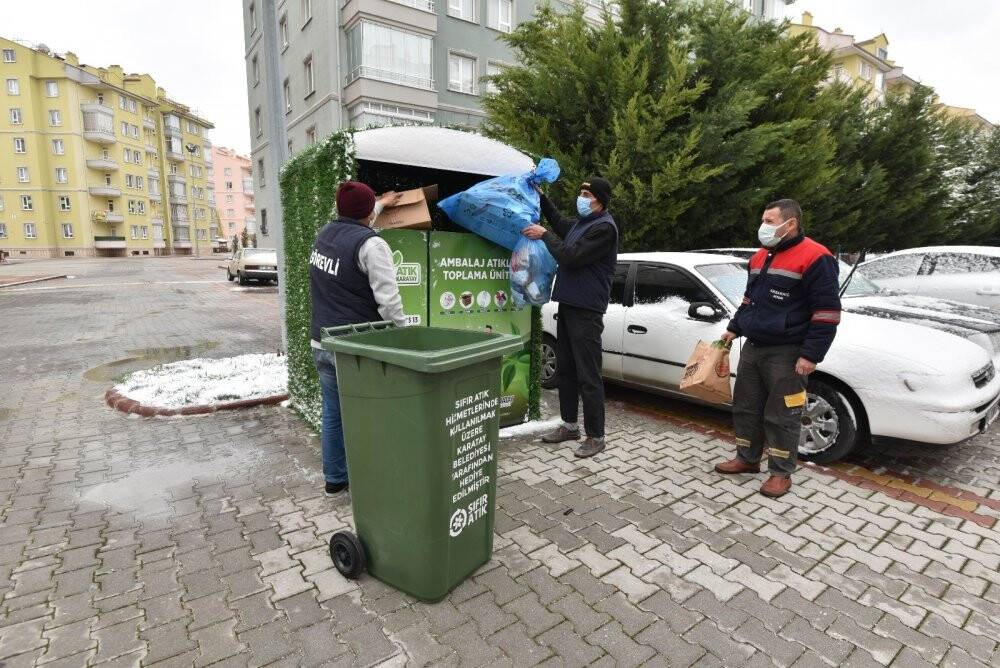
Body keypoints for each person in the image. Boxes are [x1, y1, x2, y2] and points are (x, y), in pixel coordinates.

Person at [715, 199, 841, 498]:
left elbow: (826, 312)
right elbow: (749, 300)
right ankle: (747, 459)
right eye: (764, 220)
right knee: (746, 407)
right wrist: (733, 329)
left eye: (770, 221)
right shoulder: (760, 257)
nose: (764, 227)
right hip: (754, 347)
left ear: (791, 223)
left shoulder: (816, 257)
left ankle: (780, 473)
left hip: (787, 352)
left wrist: (811, 355)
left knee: (782, 414)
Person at [309, 181, 405, 495]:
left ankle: (335, 480)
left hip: (322, 341)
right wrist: (405, 337)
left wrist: (381, 202)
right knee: (369, 414)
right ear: (367, 214)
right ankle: (374, 479)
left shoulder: (325, 235)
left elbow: (359, 216)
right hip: (355, 348)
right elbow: (388, 302)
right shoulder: (372, 245)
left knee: (334, 413)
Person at [522, 177, 618, 458]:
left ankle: (596, 436)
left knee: (589, 375)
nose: (582, 197)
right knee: (566, 369)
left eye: (586, 193)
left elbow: (571, 256)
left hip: (587, 310)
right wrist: (540, 197)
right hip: (569, 305)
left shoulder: (604, 229)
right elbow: (560, 222)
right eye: (581, 192)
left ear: (599, 198)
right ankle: (569, 425)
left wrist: (544, 235)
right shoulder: (582, 224)